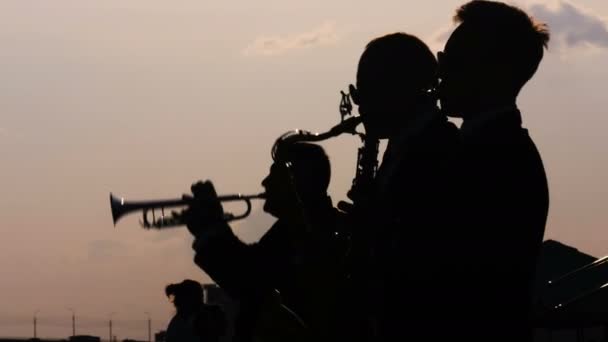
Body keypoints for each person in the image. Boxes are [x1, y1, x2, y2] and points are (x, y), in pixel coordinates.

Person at [437, 1, 550, 341]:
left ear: (487, 70)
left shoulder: (496, 158)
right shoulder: (501, 150)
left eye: (450, 62)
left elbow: (447, 271)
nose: (440, 73)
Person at [346, 32, 461, 341]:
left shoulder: (441, 149)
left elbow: (428, 248)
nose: (360, 108)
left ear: (396, 91)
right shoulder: (402, 144)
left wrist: (372, 222)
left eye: (364, 95)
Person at [184, 141, 349, 342]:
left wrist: (211, 228)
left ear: (295, 181)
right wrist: (211, 230)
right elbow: (252, 268)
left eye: (274, 174)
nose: (265, 182)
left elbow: (247, 279)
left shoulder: (307, 227)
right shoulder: (302, 224)